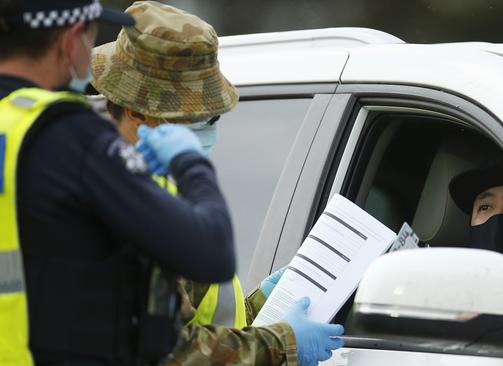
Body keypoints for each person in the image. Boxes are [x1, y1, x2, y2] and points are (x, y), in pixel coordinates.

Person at [0, 0, 339, 365]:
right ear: (137, 112)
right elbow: (164, 348)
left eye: (214, 120)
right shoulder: (100, 173)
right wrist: (281, 344)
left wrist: (261, 306)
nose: (209, 133)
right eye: (198, 119)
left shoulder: (27, 139)